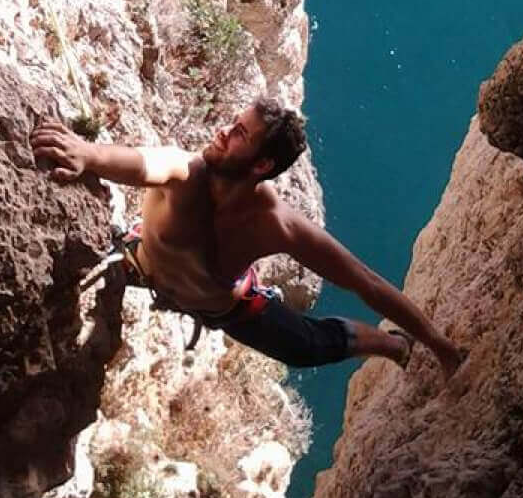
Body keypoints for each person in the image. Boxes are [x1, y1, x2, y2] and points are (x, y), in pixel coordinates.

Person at [31, 99, 465, 378]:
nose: (223, 131)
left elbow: (365, 283)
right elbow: (142, 162)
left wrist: (440, 346)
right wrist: (87, 154)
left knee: (307, 347)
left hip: (228, 307)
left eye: (240, 133)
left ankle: (391, 345)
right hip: (143, 266)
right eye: (232, 123)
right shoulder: (184, 173)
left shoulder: (275, 223)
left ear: (262, 165)